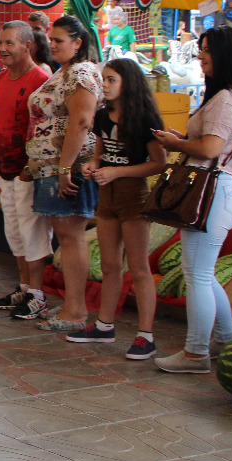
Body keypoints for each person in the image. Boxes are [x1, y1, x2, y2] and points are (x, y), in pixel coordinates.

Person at [152, 26, 232, 373]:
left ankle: (196, 353)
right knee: (204, 275)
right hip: (218, 191)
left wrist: (176, 144)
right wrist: (182, 139)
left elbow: (210, 149)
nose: (201, 55)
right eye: (201, 48)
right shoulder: (230, 95)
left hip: (214, 192)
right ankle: (227, 342)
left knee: (196, 274)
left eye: (208, 49)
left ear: (226, 54)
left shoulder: (226, 97)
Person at [68, 60, 168, 359]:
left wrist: (117, 173)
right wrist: (93, 166)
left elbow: (158, 163)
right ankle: (104, 324)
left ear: (129, 82)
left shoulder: (145, 118)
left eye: (111, 80)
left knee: (138, 268)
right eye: (103, 80)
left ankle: (145, 335)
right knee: (110, 266)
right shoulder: (102, 116)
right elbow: (100, 153)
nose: (105, 85)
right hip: (106, 196)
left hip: (133, 197)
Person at [24, 16, 103, 331]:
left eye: (59, 40)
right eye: (51, 39)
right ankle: (72, 305)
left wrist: (64, 168)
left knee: (71, 236)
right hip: (53, 167)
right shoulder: (65, 72)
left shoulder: (81, 73)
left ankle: (76, 310)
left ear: (78, 43)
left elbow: (81, 123)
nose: (52, 44)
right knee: (66, 236)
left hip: (68, 168)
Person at [0, 21, 53, 315]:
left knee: (32, 231)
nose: (2, 49)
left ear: (28, 46)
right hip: (5, 170)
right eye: (0, 43)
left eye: (9, 43)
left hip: (30, 171)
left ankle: (37, 293)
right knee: (14, 231)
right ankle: (24, 287)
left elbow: (44, 129)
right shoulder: (0, 79)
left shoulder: (41, 79)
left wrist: (30, 168)